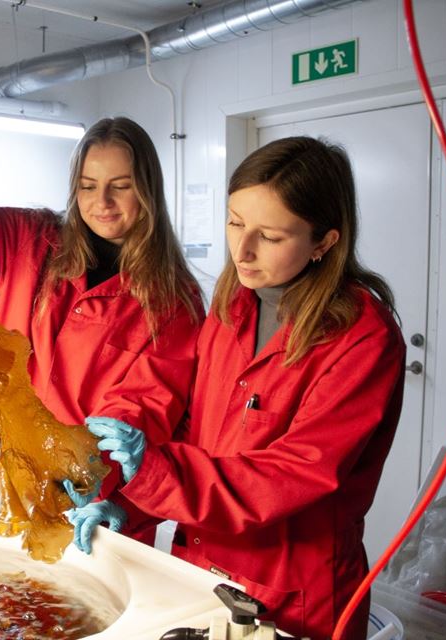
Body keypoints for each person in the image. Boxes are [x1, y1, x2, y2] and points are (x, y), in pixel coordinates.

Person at [67, 136, 406, 640]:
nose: (241, 250)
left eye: (269, 236)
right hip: (200, 565)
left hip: (290, 588)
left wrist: (159, 473)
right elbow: (197, 430)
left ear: (324, 241)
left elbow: (296, 473)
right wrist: (129, 500)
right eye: (234, 222)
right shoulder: (234, 306)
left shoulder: (362, 337)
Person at [0, 117, 204, 544]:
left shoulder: (172, 300)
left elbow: (143, 411)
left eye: (120, 186)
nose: (102, 201)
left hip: (85, 512)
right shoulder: (29, 241)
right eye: (88, 186)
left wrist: (110, 498)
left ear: (147, 189)